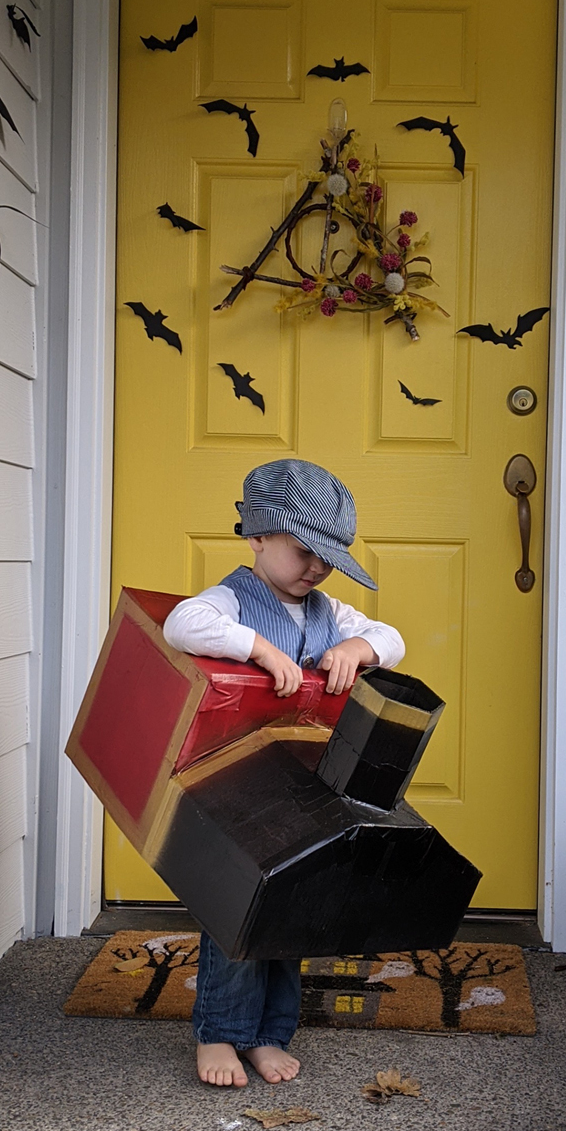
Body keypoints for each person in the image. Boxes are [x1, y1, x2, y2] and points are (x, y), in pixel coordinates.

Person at [162, 459, 405, 1089]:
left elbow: (392, 638)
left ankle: (270, 1034)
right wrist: (259, 649)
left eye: (327, 557)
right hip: (235, 784)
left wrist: (357, 649)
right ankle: (220, 1031)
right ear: (258, 537)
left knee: (288, 906)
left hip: (303, 785)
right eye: (303, 551)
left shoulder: (329, 610)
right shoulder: (231, 600)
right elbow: (180, 623)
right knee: (233, 907)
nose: (315, 569)